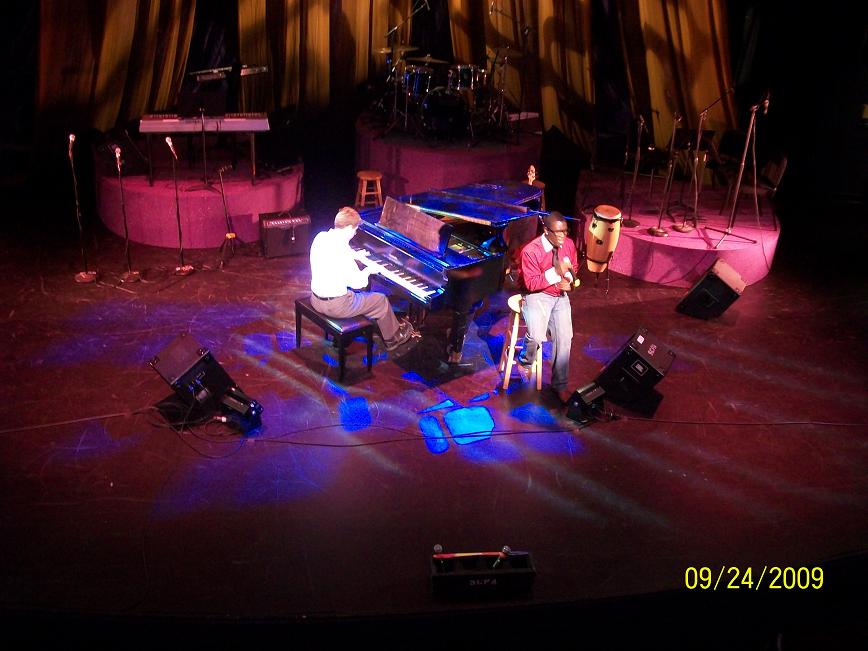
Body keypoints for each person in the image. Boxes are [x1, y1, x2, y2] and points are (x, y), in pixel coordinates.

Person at [309, 207, 414, 351]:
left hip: (315, 300)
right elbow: (359, 283)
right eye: (355, 229)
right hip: (335, 307)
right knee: (380, 300)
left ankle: (372, 325)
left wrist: (357, 255)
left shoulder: (321, 237)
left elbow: (338, 253)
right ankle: (393, 338)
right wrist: (369, 269)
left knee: (359, 296)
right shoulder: (343, 253)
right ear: (348, 228)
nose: (355, 233)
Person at [517, 211, 579, 404]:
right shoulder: (531, 251)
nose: (562, 236)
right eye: (558, 232)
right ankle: (525, 360)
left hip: (559, 295)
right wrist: (555, 272)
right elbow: (531, 284)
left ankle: (560, 385)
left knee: (565, 338)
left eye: (565, 231)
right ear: (546, 230)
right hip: (537, 294)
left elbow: (573, 268)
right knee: (537, 335)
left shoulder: (568, 244)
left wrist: (569, 281)